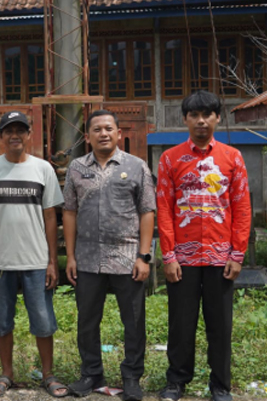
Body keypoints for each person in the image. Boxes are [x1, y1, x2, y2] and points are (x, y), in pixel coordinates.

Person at [156, 91, 251, 401]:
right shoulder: (169, 159)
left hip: (220, 257)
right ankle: (176, 382)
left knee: (220, 326)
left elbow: (242, 207)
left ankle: (220, 385)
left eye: (207, 114)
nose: (201, 121)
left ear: (217, 118)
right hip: (182, 259)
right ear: (185, 119)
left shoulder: (232, 157)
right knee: (180, 325)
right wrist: (169, 256)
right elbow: (164, 208)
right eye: (194, 115)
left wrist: (237, 254)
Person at [0, 111, 69, 398]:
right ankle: (6, 374)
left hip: (36, 261)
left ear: (29, 134)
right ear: (0, 136)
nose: (15, 135)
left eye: (20, 130)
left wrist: (52, 262)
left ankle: (48, 374)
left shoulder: (43, 169)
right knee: (1, 321)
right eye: (9, 131)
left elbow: (50, 217)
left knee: (43, 321)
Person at [63, 110, 156, 399]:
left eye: (108, 128)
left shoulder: (136, 166)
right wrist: (71, 256)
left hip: (128, 258)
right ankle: (91, 374)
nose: (103, 134)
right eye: (97, 129)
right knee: (87, 321)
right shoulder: (77, 167)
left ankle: (132, 377)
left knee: (134, 322)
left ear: (118, 133)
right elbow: (69, 212)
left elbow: (147, 211)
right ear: (87, 136)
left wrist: (144, 256)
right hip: (88, 258)